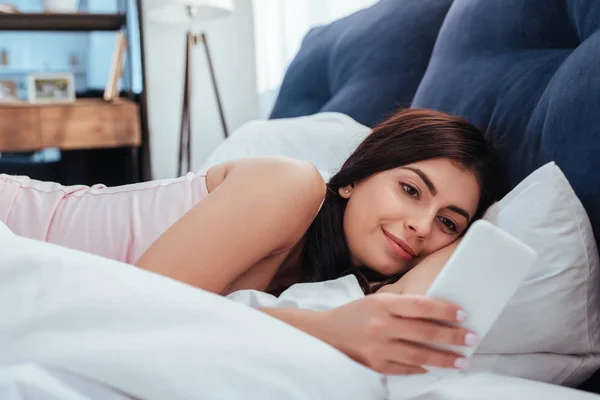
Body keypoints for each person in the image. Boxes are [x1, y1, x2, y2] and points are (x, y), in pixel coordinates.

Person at [0, 108, 497, 376]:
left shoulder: (331, 278)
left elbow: (400, 315)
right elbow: (142, 308)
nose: (420, 225)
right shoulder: (291, 186)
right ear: (351, 180)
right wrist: (324, 329)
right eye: (410, 190)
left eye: (448, 222)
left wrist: (471, 239)